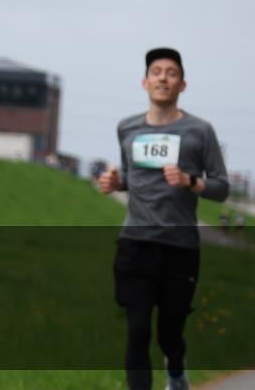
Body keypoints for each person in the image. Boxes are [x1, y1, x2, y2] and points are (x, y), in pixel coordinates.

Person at [98, 47, 229, 390]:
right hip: (135, 243)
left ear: (182, 85)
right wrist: (116, 183)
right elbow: (131, 177)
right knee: (137, 329)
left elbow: (221, 187)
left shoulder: (200, 131)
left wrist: (190, 181)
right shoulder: (127, 128)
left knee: (169, 333)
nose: (163, 79)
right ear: (145, 82)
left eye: (171, 73)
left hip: (179, 247)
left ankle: (176, 370)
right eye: (156, 72)